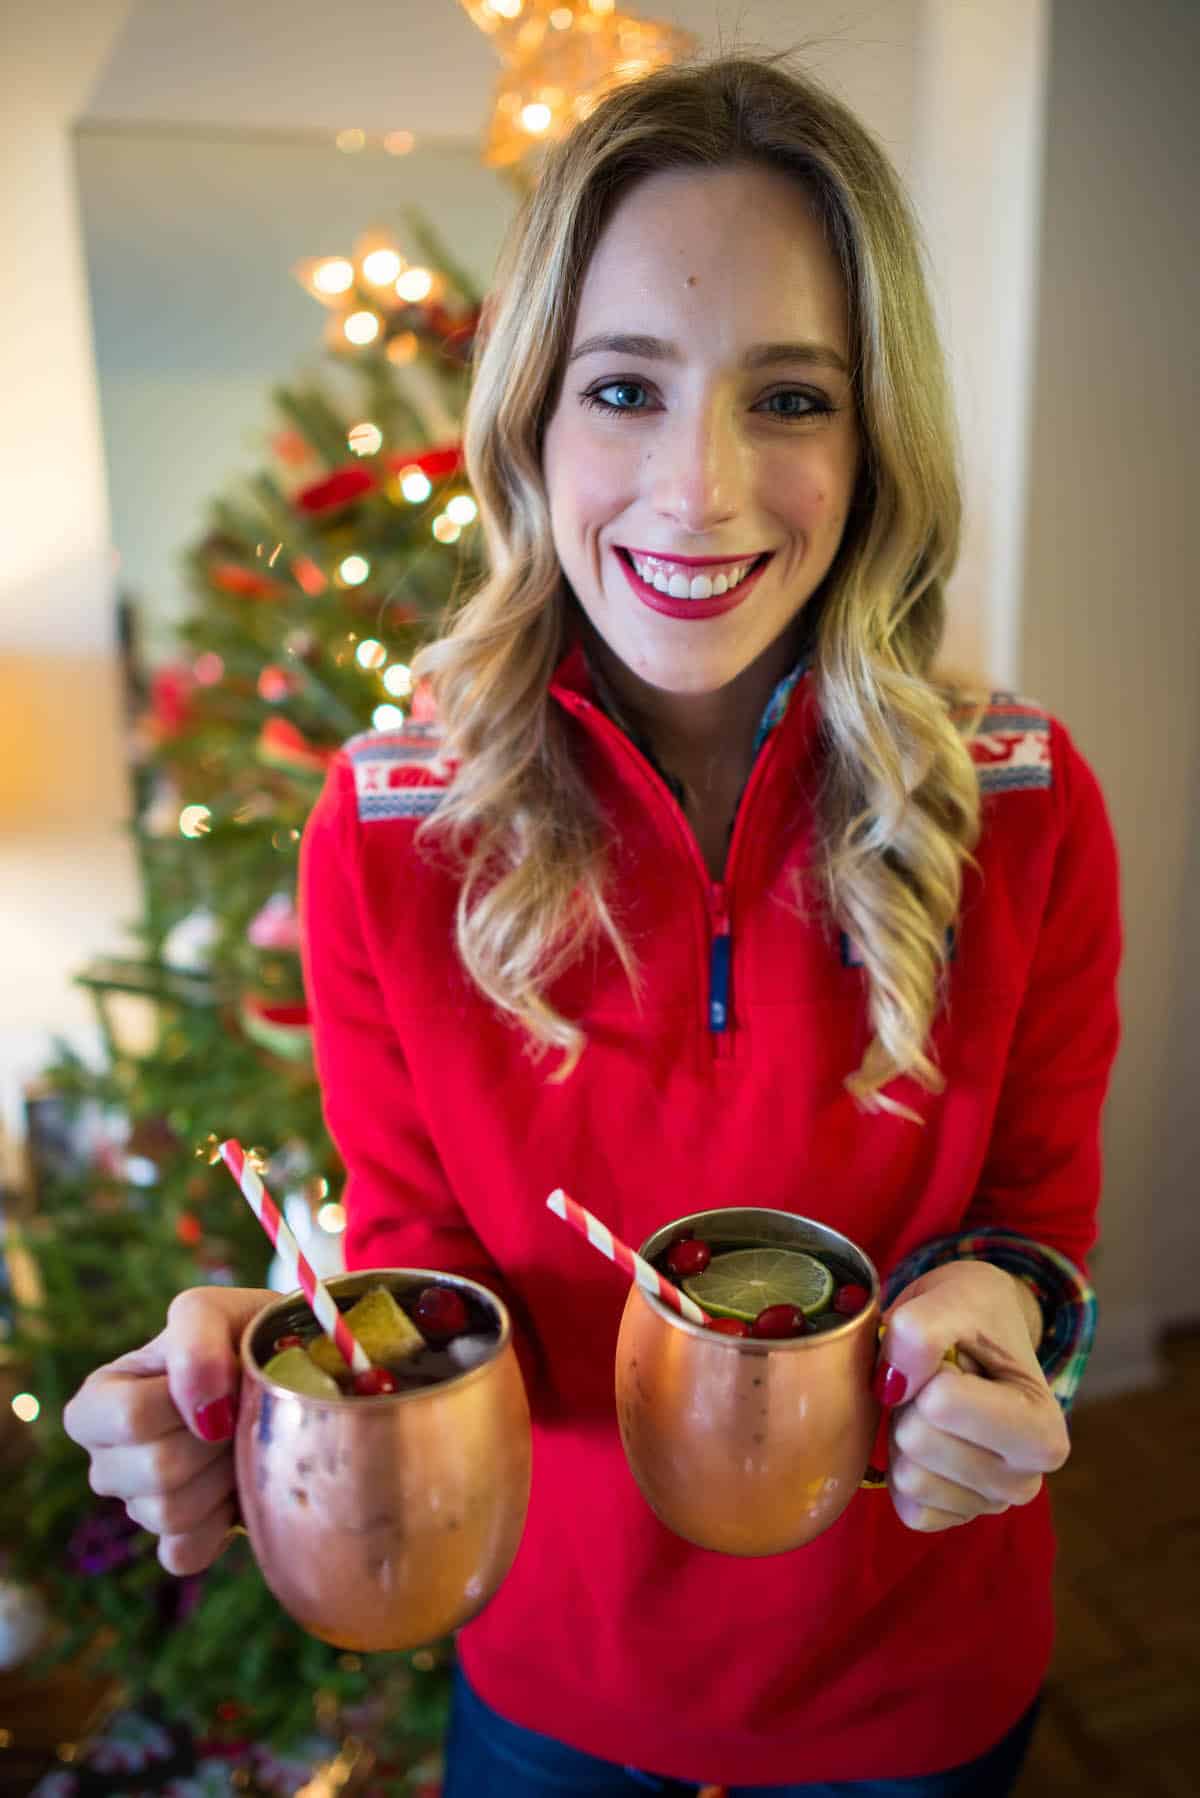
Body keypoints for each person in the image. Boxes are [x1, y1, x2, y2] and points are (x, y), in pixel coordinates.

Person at [63, 47, 1122, 1798]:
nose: (699, 488)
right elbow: (427, 1255)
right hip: (555, 1678)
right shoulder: (384, 833)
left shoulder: (1023, 802)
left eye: (790, 398)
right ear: (531, 420)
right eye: (625, 387)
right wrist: (280, 1365)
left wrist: (1001, 1319)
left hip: (916, 1675)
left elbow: (1035, 1225)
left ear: (876, 444)